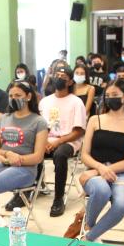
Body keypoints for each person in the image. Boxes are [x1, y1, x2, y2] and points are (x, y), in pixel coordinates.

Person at [63, 80, 124, 241]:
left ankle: (88, 237)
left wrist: (107, 169)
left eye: (115, 95)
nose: (110, 98)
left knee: (121, 204)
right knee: (101, 190)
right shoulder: (95, 120)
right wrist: (100, 168)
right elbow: (85, 155)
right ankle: (88, 224)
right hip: (95, 171)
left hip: (122, 173)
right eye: (108, 95)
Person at [0, 81, 48, 226]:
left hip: (25, 169)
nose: (13, 98)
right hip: (4, 164)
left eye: (18, 95)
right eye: (11, 96)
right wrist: (8, 155)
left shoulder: (39, 121)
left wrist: (16, 159)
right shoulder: (4, 118)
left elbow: (38, 157)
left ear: (28, 96)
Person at [38, 65, 86, 217]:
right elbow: (40, 127)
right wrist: (44, 142)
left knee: (60, 155)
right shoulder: (45, 101)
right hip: (47, 140)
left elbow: (79, 131)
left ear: (70, 82)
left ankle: (58, 198)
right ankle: (29, 189)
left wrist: (57, 142)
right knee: (31, 149)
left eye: (63, 77)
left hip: (69, 141)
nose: (59, 78)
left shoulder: (76, 102)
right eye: (57, 75)